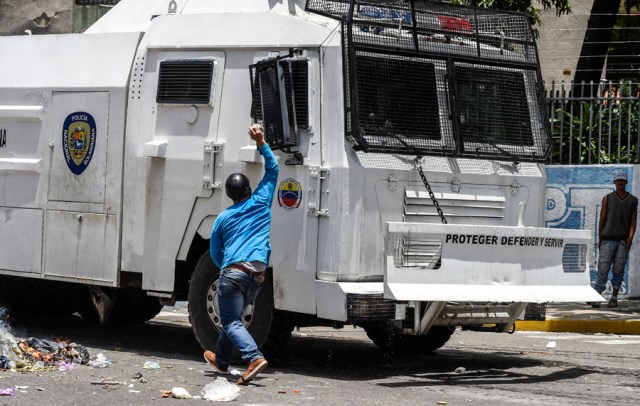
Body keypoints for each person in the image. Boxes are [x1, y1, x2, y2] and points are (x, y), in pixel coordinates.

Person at [204, 123, 279, 385]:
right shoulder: (261, 201)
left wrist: (226, 270)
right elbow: (273, 169)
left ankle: (254, 357)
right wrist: (260, 141)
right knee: (232, 319)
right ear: (248, 188)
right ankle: (222, 361)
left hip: (233, 273)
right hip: (257, 274)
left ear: (229, 195)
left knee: (232, 322)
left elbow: (215, 251)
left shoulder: (223, 218)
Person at [594, 170, 637, 308]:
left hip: (623, 240)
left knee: (619, 269)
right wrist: (600, 238)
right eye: (618, 180)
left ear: (626, 181)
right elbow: (602, 220)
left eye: (622, 180)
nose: (620, 182)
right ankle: (597, 296)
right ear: (614, 182)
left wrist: (630, 236)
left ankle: (614, 297)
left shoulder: (633, 200)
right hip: (608, 238)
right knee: (603, 268)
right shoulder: (607, 198)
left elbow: (633, 221)